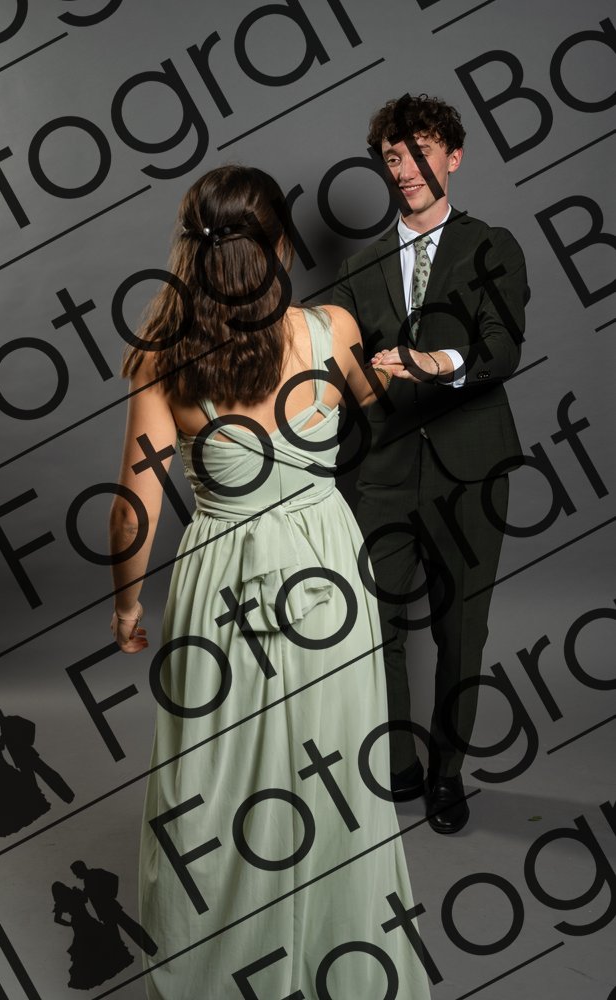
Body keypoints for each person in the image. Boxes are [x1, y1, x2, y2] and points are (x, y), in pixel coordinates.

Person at [109, 165, 432, 999]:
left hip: (223, 580)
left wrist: (126, 604)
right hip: (327, 569)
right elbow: (383, 409)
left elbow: (134, 510)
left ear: (190, 252)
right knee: (334, 770)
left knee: (211, 782)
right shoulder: (332, 328)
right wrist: (403, 365)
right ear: (282, 244)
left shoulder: (161, 357)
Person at [333, 94, 529, 834]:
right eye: (394, 156)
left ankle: (447, 774)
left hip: (470, 469)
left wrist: (430, 362)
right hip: (381, 472)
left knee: (461, 629)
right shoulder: (358, 268)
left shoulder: (493, 246)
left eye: (421, 151)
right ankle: (399, 765)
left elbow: (500, 348)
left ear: (453, 156)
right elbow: (334, 370)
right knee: (373, 626)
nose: (407, 168)